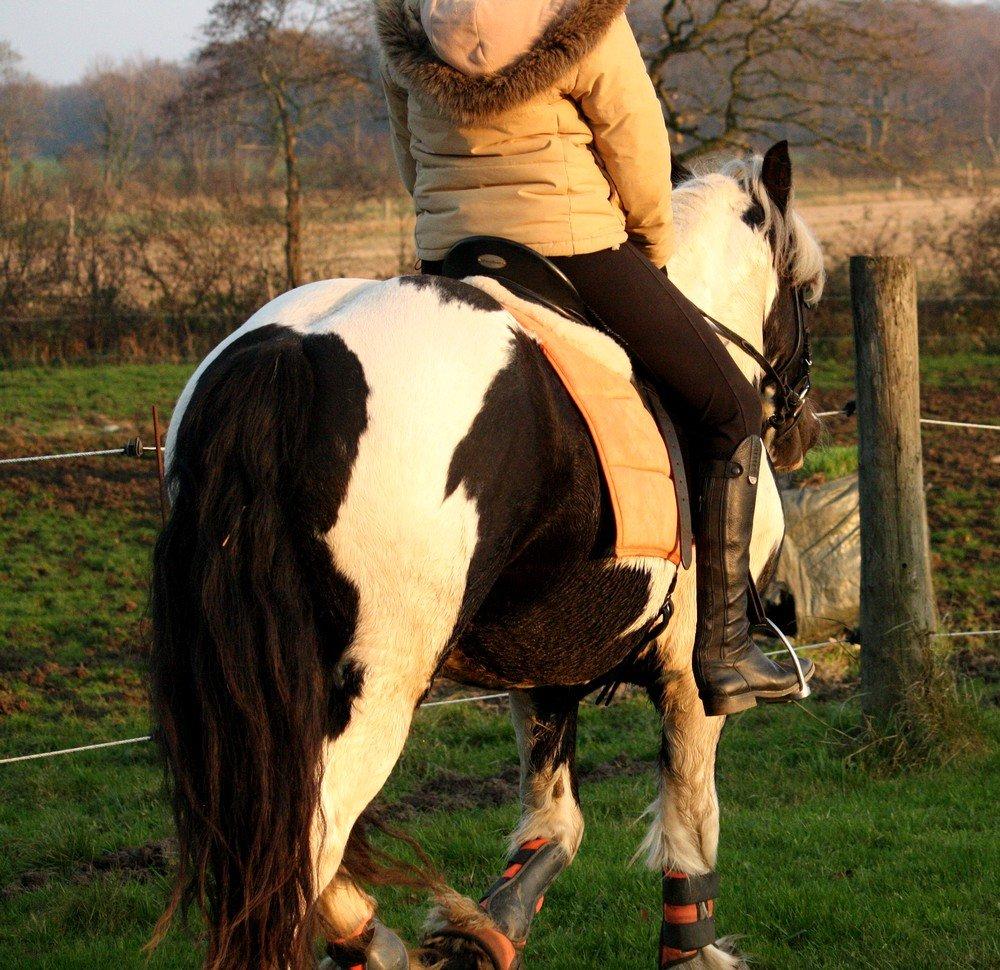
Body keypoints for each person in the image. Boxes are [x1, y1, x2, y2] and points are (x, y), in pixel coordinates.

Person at [375, 0, 810, 715]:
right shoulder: (584, 14)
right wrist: (650, 247)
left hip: (450, 251)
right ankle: (725, 646)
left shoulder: (406, 16)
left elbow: (405, 146)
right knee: (729, 407)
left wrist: (448, 221)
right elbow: (636, 145)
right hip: (574, 246)